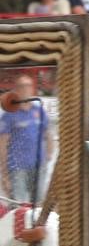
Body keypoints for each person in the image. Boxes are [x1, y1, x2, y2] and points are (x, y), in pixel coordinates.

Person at [0, 75, 52, 203]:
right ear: (16, 90)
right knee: (20, 205)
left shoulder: (39, 110)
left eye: (28, 85)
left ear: (32, 89)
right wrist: (4, 173)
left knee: (39, 202)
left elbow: (48, 133)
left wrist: (49, 154)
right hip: (18, 168)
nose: (25, 89)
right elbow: (2, 144)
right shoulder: (9, 114)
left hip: (38, 165)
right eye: (22, 86)